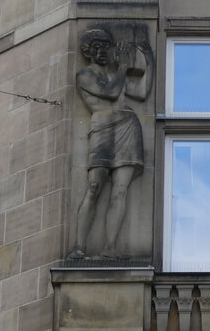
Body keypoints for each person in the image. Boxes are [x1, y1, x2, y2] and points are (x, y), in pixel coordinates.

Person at [68, 29, 146, 259]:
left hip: (128, 127)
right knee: (94, 187)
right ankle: (80, 247)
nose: (102, 52)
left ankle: (110, 248)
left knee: (120, 190)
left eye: (105, 47)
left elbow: (142, 92)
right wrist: (123, 67)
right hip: (102, 129)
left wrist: (147, 60)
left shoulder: (115, 76)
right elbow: (110, 93)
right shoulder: (84, 75)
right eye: (96, 48)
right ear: (88, 52)